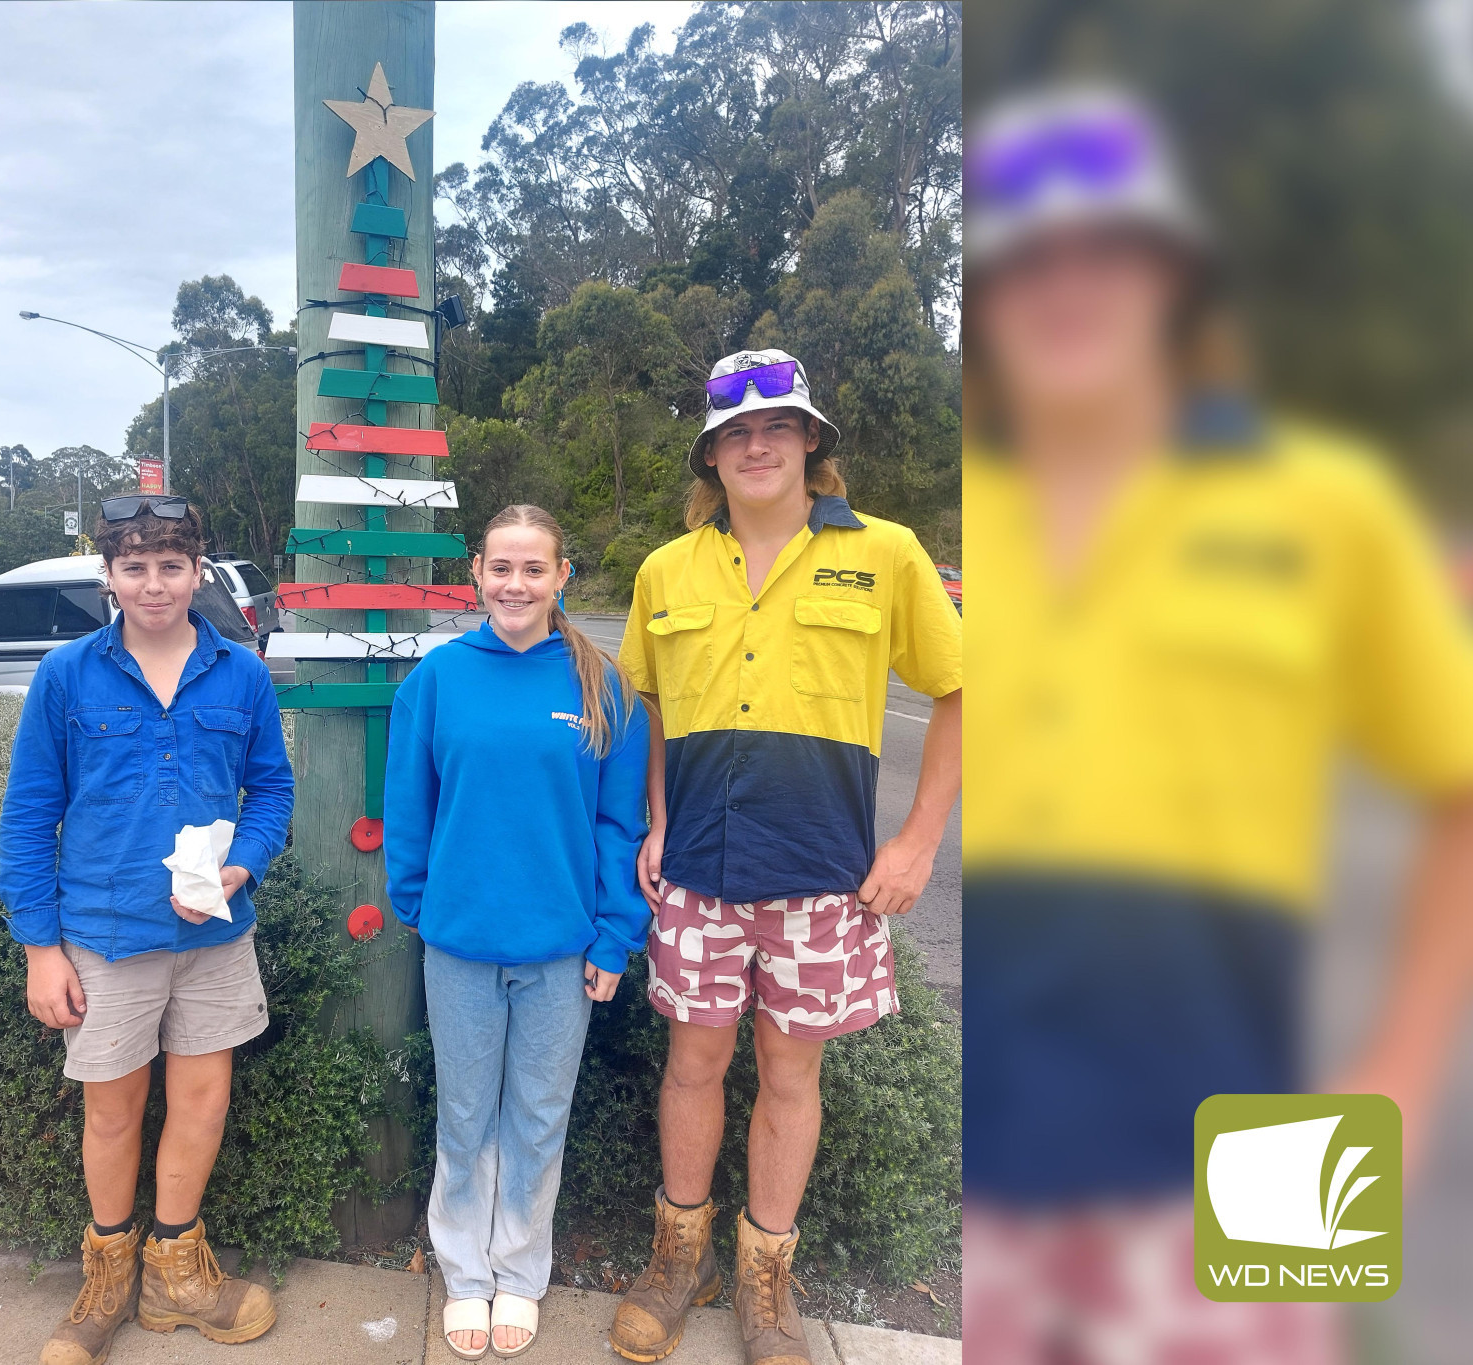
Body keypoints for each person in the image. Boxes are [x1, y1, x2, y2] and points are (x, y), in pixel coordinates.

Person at [963, 86, 1473, 1365]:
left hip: (1268, 1137)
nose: (1061, 285)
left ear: (1169, 275)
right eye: (1022, 259)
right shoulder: (966, 526)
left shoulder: (1326, 504)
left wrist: (1400, 1085)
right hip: (996, 1157)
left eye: (1102, 248)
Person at [608, 350, 963, 1365]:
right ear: (709, 457)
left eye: (775, 426)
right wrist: (659, 819)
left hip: (825, 877)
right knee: (693, 1061)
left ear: (810, 442)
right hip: (699, 874)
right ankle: (682, 1257)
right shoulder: (663, 571)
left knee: (788, 1074)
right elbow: (654, 704)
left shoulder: (885, 555)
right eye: (733, 433)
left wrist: (917, 839)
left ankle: (765, 1276)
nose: (753, 445)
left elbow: (959, 688)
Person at [0, 495, 294, 1365]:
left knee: (202, 1102)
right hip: (102, 933)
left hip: (213, 937)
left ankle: (175, 1276)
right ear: (110, 578)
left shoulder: (241, 673)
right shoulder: (66, 676)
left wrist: (241, 864)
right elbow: (27, 818)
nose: (154, 583)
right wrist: (40, 948)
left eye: (172, 565)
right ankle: (105, 1280)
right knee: (113, 1113)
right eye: (135, 566)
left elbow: (272, 791)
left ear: (198, 572)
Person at [385, 504, 653, 1361]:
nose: (515, 584)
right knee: (464, 1115)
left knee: (539, 1116)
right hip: (460, 945)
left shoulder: (601, 685)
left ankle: (519, 1272)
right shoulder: (437, 679)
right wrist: (421, 903)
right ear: (477, 572)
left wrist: (614, 936)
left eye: (534, 568)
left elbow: (618, 826)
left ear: (562, 576)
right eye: (501, 567)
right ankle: (465, 1271)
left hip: (562, 950)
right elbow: (408, 803)